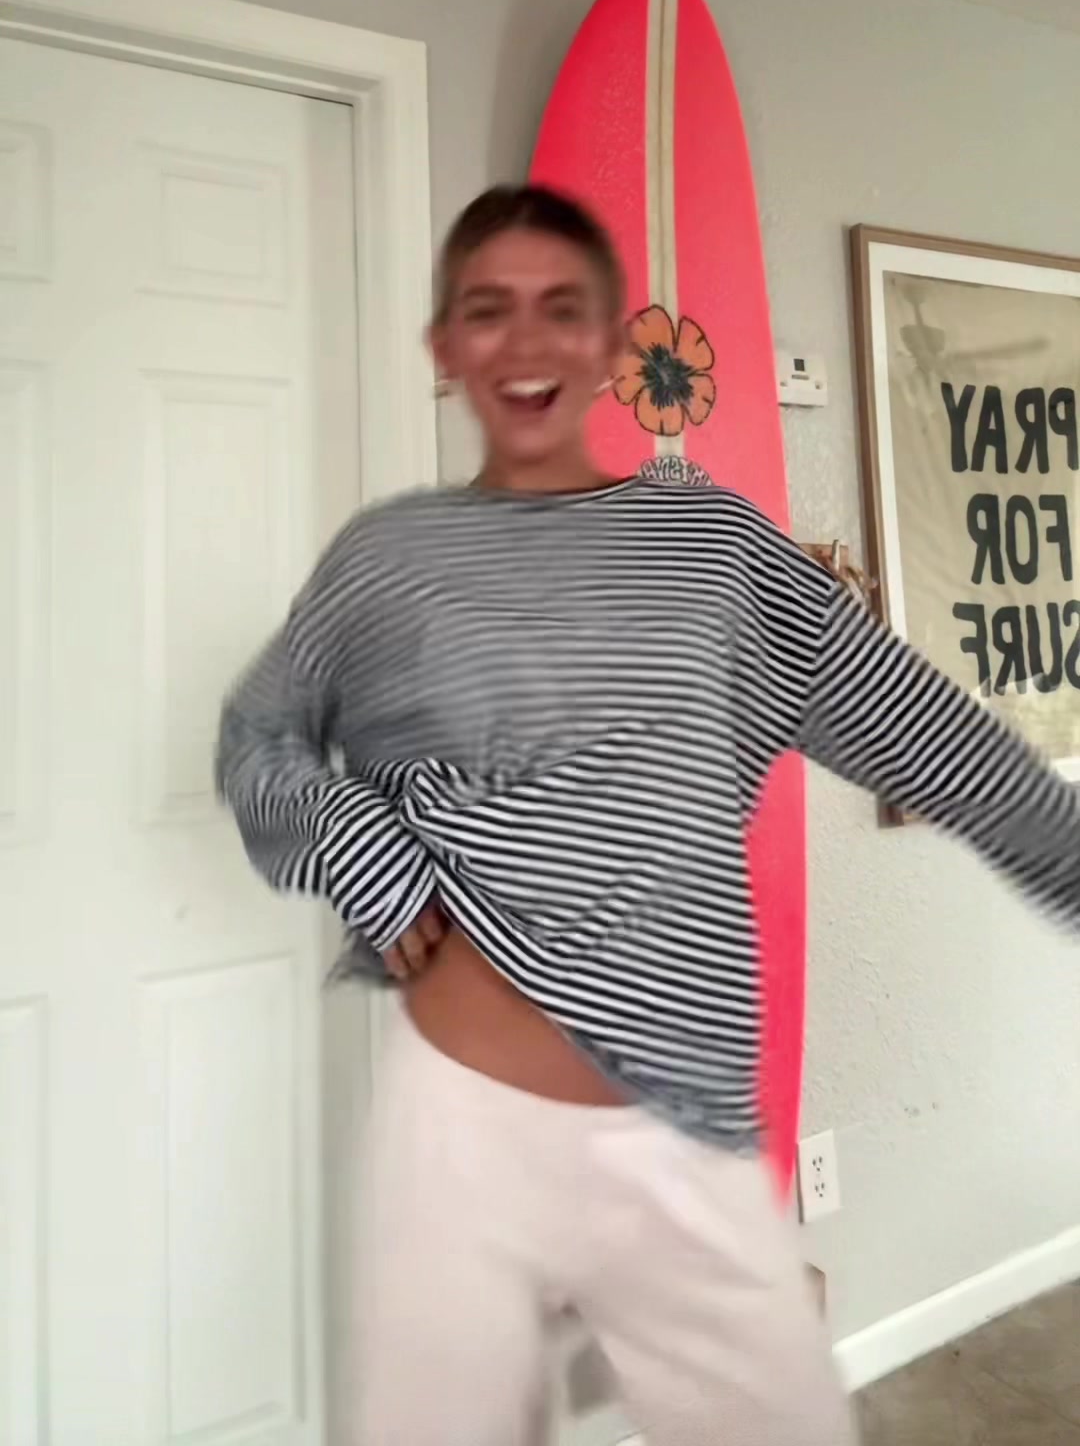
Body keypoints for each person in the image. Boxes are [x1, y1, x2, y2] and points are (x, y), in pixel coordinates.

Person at [217, 184, 1080, 1446]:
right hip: (456, 1122)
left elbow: (932, 736)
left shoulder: (712, 549)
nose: (526, 341)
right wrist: (360, 849)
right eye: (489, 309)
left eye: (561, 308)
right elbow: (258, 739)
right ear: (445, 345)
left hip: (677, 1126)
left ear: (615, 346)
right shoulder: (386, 562)